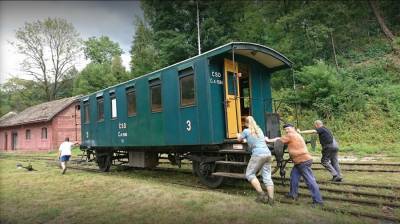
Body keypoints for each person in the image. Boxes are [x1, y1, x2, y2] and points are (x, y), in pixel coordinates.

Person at [266, 123, 323, 207]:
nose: (286, 130)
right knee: (294, 176)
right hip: (300, 161)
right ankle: (293, 194)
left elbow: (279, 140)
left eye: (288, 128)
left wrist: (268, 140)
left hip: (302, 161)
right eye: (285, 129)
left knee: (310, 181)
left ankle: (318, 201)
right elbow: (281, 138)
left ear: (293, 128)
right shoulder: (296, 134)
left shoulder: (291, 135)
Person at [237, 116, 274, 206]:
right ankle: (271, 201)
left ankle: (262, 195)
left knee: (249, 174)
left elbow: (239, 139)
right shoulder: (259, 130)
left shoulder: (246, 131)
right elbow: (254, 139)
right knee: (267, 177)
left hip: (258, 154)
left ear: (245, 123)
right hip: (267, 154)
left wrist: (238, 135)